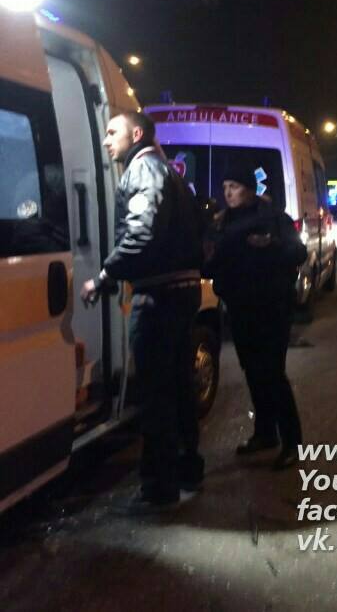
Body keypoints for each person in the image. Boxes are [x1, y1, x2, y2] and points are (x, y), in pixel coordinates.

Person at [80, 111, 204, 514]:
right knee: (179, 386)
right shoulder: (168, 172)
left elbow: (142, 233)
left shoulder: (144, 169)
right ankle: (187, 469)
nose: (105, 140)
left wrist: (104, 276)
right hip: (181, 290)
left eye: (111, 132)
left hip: (159, 296)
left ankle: (158, 487)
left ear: (136, 134)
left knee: (155, 394)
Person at [202, 160, 307, 470]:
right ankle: (265, 432)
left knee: (272, 373)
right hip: (240, 307)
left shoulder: (273, 218)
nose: (228, 193)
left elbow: (298, 252)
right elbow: (211, 263)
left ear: (249, 190)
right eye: (225, 187)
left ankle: (292, 442)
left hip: (272, 308)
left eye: (234, 187)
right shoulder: (221, 223)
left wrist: (272, 245)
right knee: (252, 371)